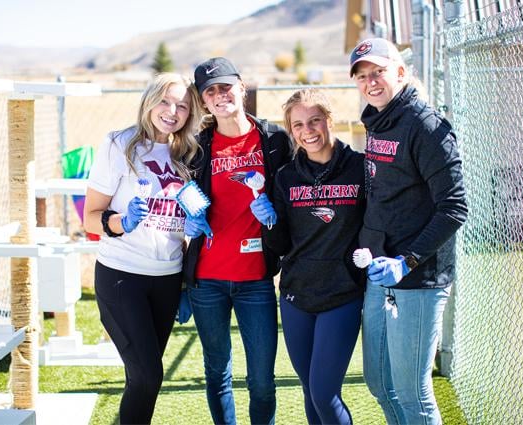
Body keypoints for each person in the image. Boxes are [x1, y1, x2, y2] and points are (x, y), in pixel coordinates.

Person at [350, 38, 468, 424]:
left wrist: (408, 260)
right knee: (379, 382)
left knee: (411, 391)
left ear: (400, 73)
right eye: (362, 76)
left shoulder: (425, 125)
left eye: (378, 72)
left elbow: (455, 207)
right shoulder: (379, 120)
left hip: (417, 278)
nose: (371, 82)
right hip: (380, 273)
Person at [83, 73, 200, 424]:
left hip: (166, 280)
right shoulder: (119, 144)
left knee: (145, 380)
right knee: (148, 375)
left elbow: (189, 219)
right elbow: (90, 218)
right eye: (165, 100)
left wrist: (184, 282)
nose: (172, 111)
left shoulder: (189, 153)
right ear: (149, 100)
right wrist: (121, 221)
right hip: (122, 277)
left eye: (182, 105)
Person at [182, 57, 292, 425]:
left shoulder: (274, 140)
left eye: (225, 87)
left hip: (256, 280)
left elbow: (295, 194)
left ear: (242, 88)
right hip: (207, 281)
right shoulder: (197, 147)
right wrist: (188, 220)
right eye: (210, 91)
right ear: (203, 101)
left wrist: (276, 216)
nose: (219, 95)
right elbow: (176, 194)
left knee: (262, 379)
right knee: (218, 373)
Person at [255, 88, 366, 424]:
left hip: (342, 294)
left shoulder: (360, 168)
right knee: (309, 390)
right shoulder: (286, 176)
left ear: (329, 120)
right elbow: (279, 244)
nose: (308, 131)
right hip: (295, 295)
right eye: (298, 125)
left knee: (324, 392)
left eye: (315, 121)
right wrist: (268, 221)